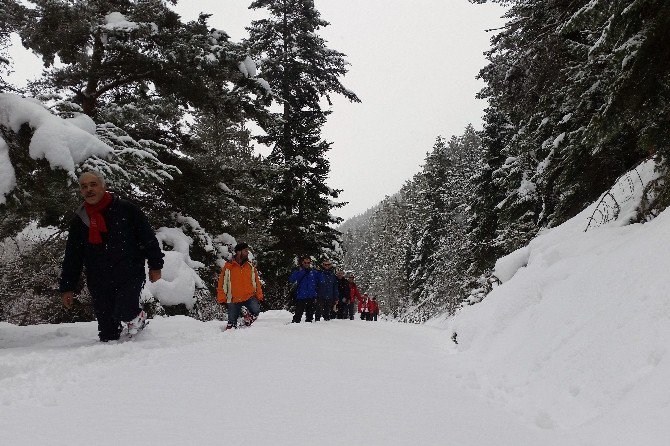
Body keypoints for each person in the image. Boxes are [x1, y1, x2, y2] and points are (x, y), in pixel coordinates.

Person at [60, 171, 163, 341]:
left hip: (128, 273)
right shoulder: (80, 219)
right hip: (98, 279)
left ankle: (140, 330)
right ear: (80, 191)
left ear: (103, 186)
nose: (89, 190)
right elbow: (73, 255)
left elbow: (147, 237)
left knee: (125, 310)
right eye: (84, 187)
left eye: (93, 184)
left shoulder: (126, 209)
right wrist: (67, 287)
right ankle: (113, 360)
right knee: (108, 334)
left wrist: (155, 265)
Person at [217, 242, 264, 330]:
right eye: (245, 251)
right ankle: (241, 315)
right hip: (234, 299)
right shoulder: (228, 267)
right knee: (231, 326)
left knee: (256, 311)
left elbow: (256, 282)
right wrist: (222, 298)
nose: (247, 253)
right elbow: (221, 283)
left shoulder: (250, 266)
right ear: (239, 252)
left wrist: (259, 295)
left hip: (249, 297)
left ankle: (244, 316)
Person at [289, 256, 319, 323]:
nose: (306, 264)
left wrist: (319, 270)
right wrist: (299, 271)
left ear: (310, 263)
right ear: (302, 262)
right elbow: (291, 279)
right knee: (298, 312)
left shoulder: (313, 272)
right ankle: (295, 324)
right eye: (305, 262)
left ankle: (308, 326)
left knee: (310, 314)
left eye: (308, 263)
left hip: (311, 295)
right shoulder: (299, 270)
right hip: (301, 295)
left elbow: (321, 281)